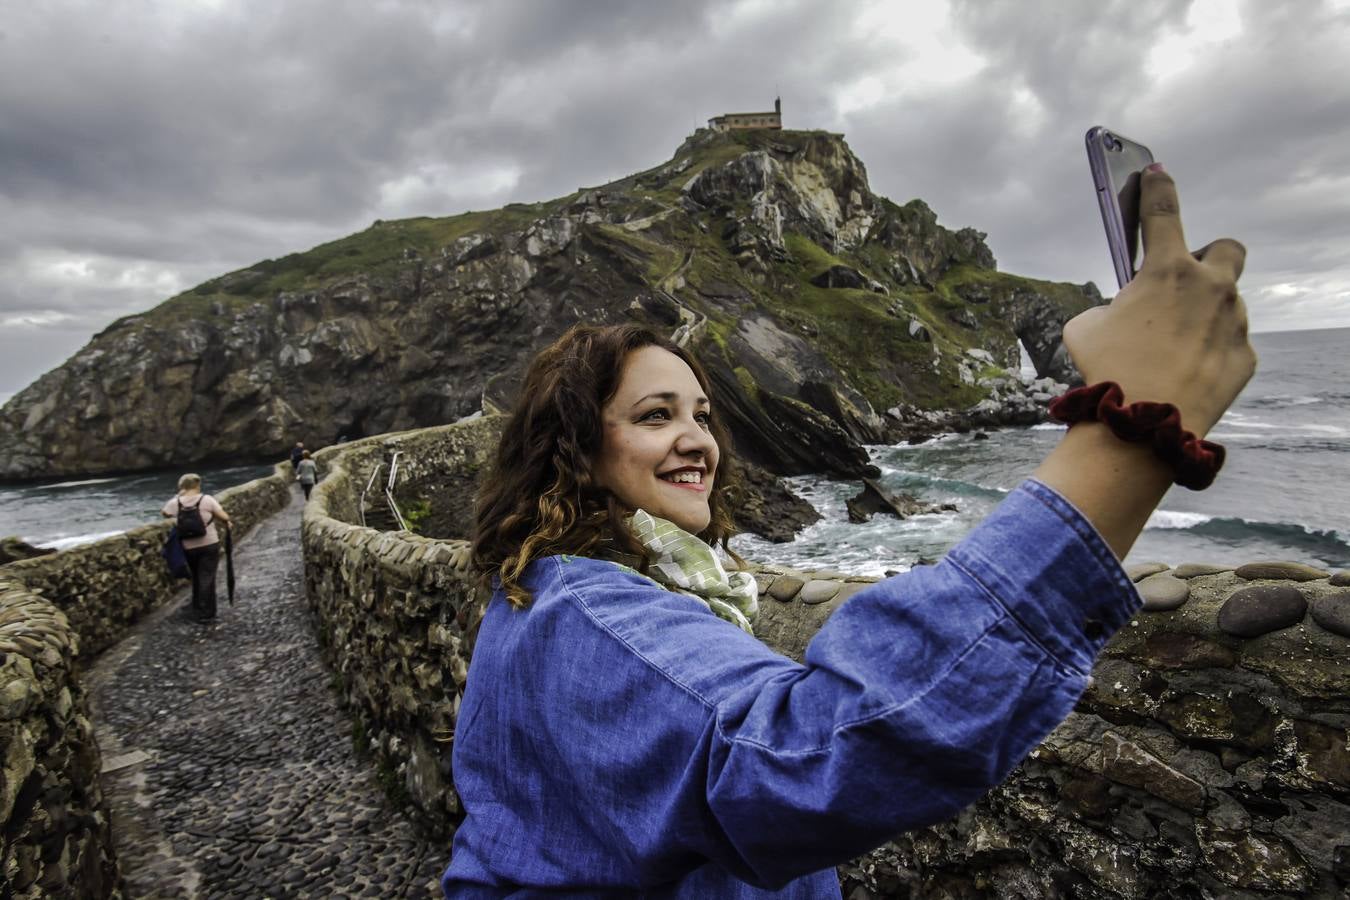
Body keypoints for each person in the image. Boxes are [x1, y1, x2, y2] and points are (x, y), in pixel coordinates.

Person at [441, 167, 1255, 897]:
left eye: (702, 414)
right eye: (655, 417)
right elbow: (808, 755)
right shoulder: (588, 612)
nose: (699, 440)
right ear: (575, 453)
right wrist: (1131, 434)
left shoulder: (548, 592)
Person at [162, 474, 232, 622]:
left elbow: (165, 514)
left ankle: (197, 608)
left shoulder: (175, 502)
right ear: (197, 485)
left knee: (196, 577)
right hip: (209, 544)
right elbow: (224, 517)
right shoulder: (206, 499)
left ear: (182, 487)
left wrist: (178, 497)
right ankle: (207, 613)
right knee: (207, 576)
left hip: (188, 546)